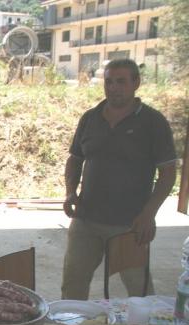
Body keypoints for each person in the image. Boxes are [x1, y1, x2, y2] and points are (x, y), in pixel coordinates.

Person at [61, 58, 177, 300]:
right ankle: (72, 323)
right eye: (109, 81)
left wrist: (148, 214)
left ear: (136, 83)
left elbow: (167, 173)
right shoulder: (90, 118)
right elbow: (75, 159)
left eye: (121, 81)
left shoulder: (153, 122)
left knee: (140, 291)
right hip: (86, 220)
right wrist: (70, 192)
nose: (113, 88)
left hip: (131, 224)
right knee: (73, 283)